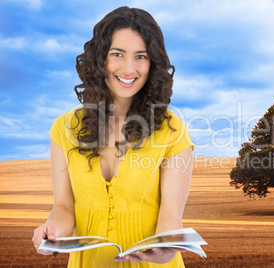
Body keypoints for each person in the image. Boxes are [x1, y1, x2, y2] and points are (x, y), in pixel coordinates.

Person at [32, 6, 194, 267]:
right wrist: (51, 231)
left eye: (140, 56)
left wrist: (167, 247)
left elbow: (170, 216)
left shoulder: (172, 130)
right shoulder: (64, 128)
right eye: (117, 54)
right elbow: (64, 208)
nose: (129, 69)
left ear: (153, 63)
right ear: (100, 58)